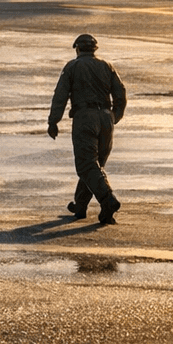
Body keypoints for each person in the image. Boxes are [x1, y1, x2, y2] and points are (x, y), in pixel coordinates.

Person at [46, 33, 127, 225]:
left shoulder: (72, 67)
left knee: (87, 165)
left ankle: (108, 200)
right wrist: (114, 116)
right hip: (106, 118)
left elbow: (60, 95)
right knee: (94, 165)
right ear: (94, 50)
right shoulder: (107, 66)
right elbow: (121, 94)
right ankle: (80, 206)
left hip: (85, 118)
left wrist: (53, 121)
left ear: (77, 49)